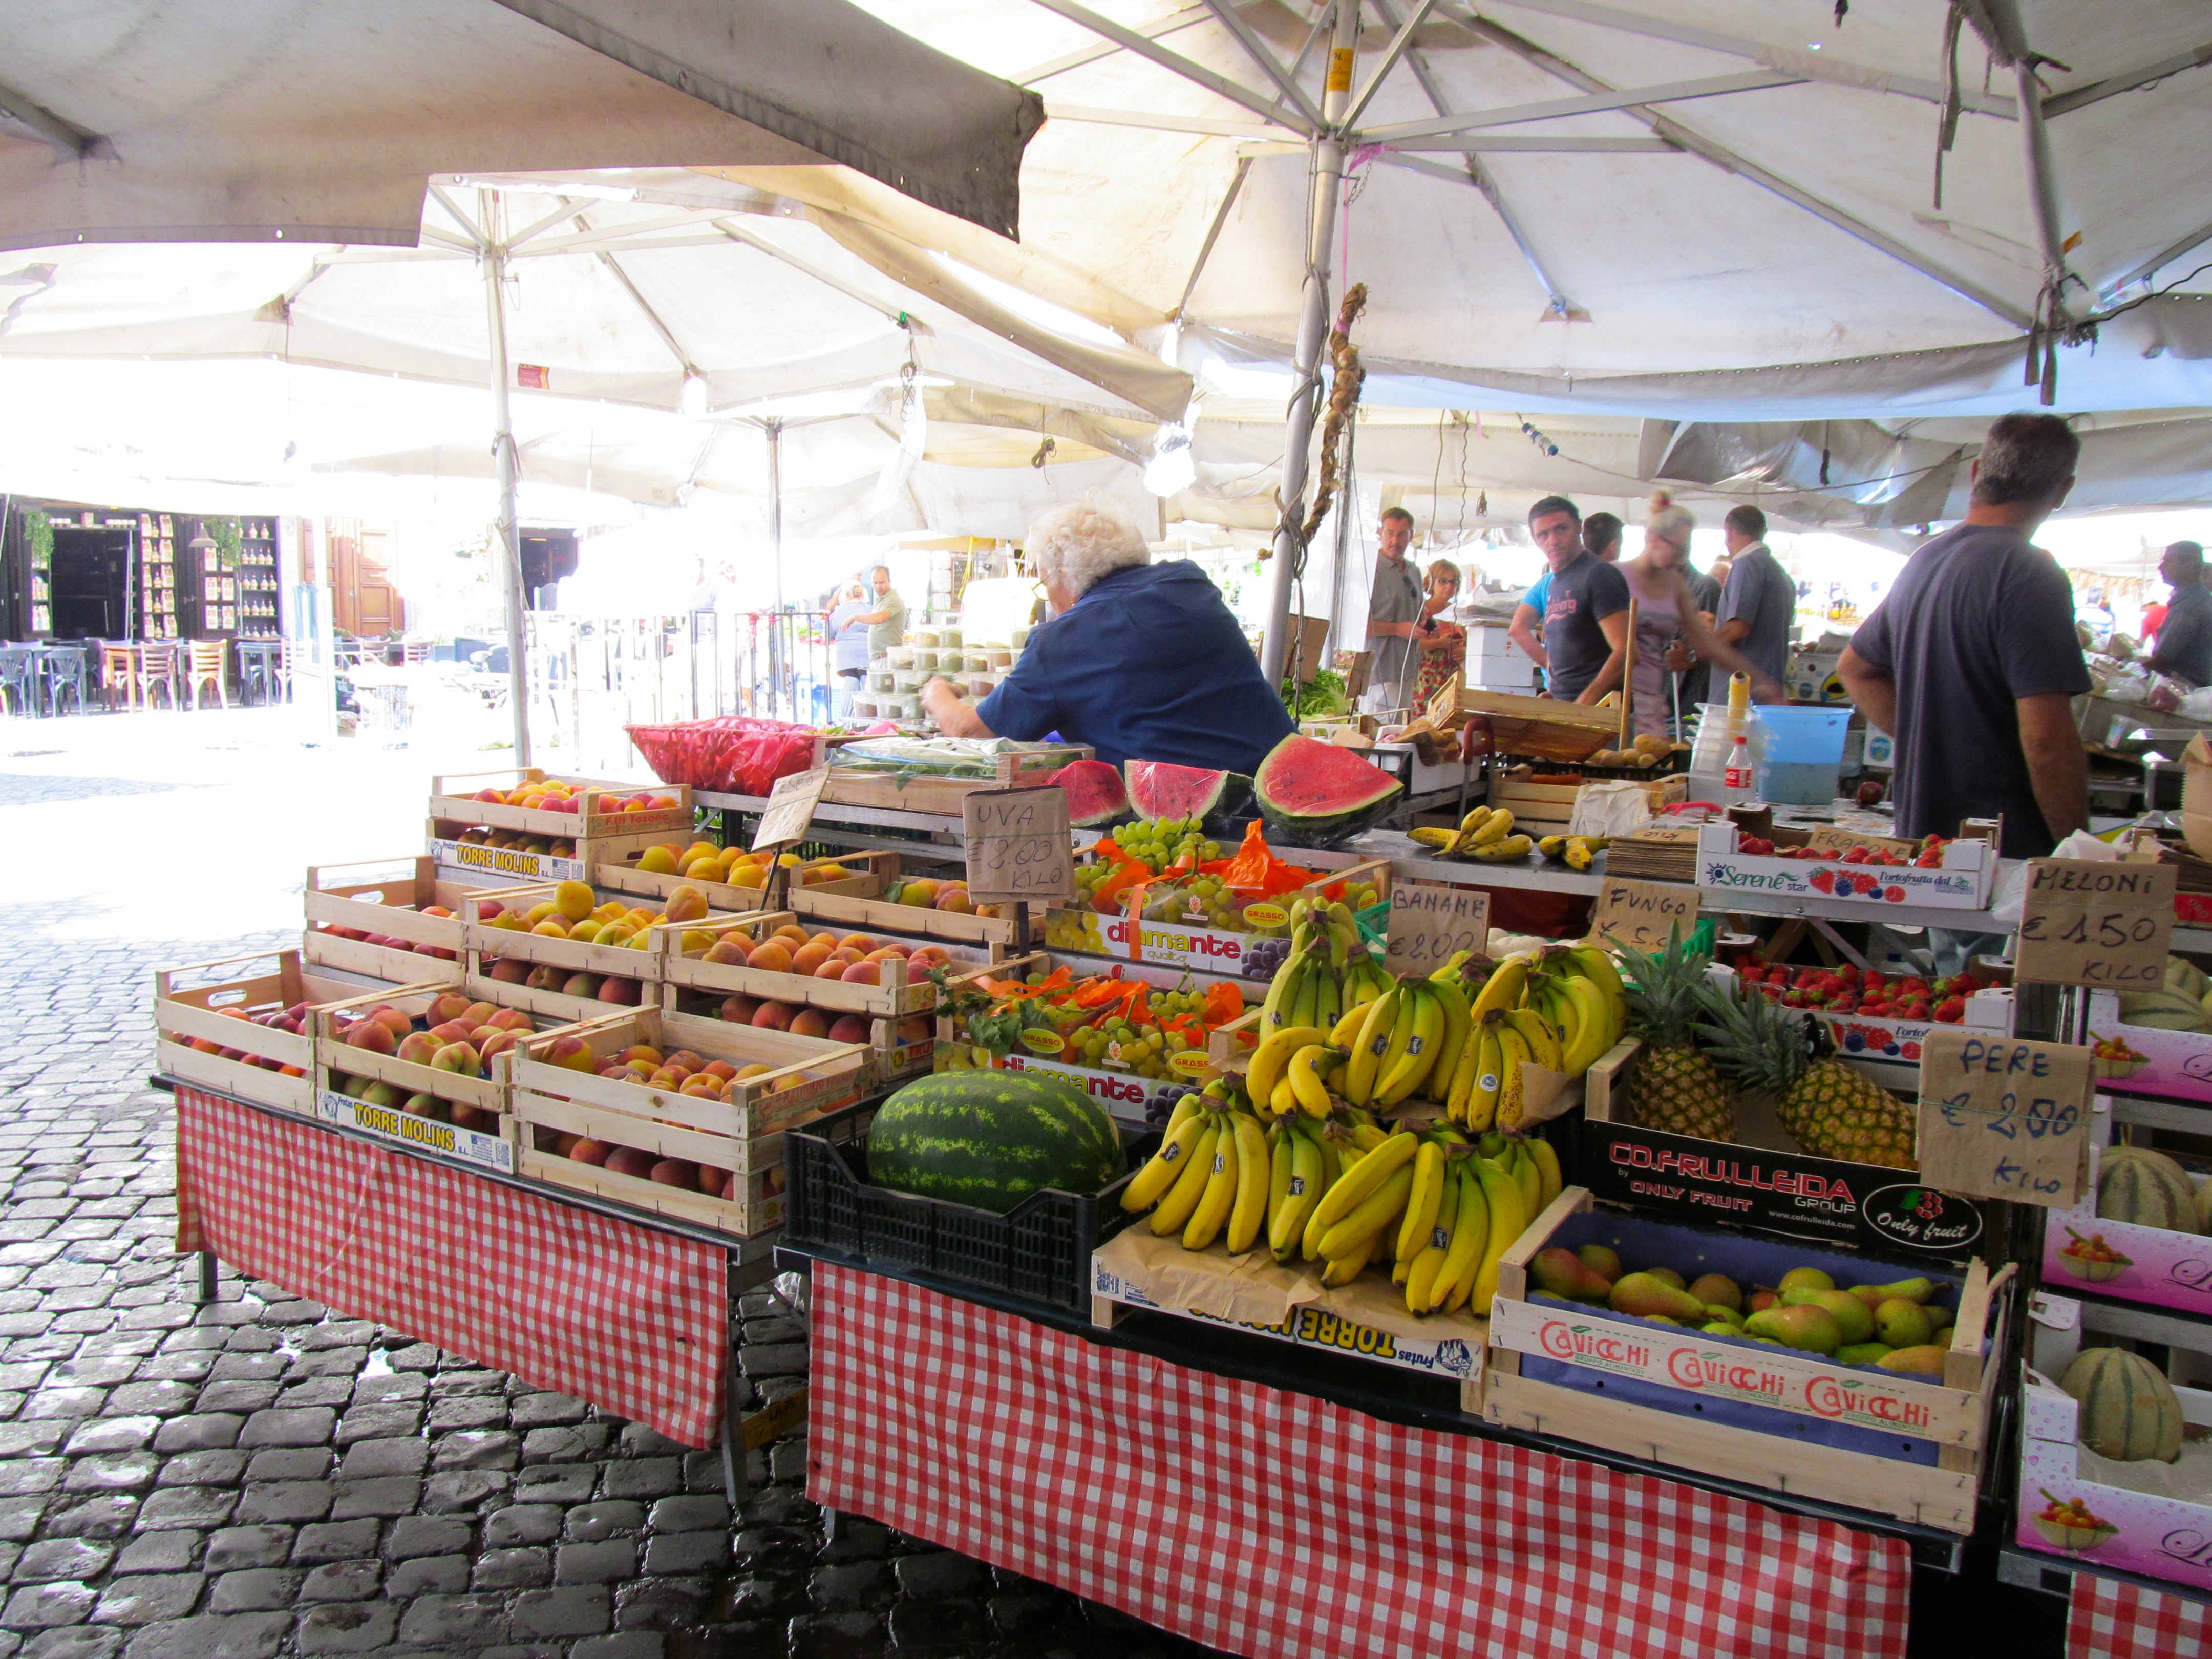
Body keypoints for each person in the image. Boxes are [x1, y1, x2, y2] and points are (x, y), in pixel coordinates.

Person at [1838, 413, 2091, 858]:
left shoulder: (1925, 561)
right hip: (2002, 854)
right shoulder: (2030, 572)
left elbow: (1855, 669)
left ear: (1976, 474)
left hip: (1928, 846)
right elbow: (2046, 741)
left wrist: (1929, 745)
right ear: (2062, 491)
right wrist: (2080, 853)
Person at [920, 500, 1294, 773]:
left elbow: (970, 731)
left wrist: (937, 693)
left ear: (1061, 573)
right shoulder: (1191, 584)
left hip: (1182, 821)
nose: (1048, 595)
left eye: (1044, 581)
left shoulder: (1061, 641)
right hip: (1277, 780)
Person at [1588, 495, 1782, 737]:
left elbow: (1708, 645)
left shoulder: (1674, 584)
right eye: (1679, 549)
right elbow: (1600, 650)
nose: (1682, 557)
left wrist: (1761, 682)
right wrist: (1581, 706)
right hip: (1605, 704)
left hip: (1650, 710)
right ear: (1653, 539)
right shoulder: (1613, 575)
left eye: (1687, 550)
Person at [1506, 496, 1630, 703]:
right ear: (1535, 539)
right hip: (1567, 710)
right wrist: (1557, 691)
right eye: (1544, 534)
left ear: (1579, 527)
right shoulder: (1556, 581)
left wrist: (1583, 705)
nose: (1553, 541)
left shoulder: (1599, 574)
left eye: (1561, 529)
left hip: (1599, 715)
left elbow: (1626, 651)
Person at [1696, 505, 1797, 694]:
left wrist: (1696, 653)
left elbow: (1738, 629)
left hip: (1741, 692)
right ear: (1763, 533)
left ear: (1729, 532)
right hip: (1767, 685)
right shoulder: (1777, 571)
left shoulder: (1747, 564)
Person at [1362, 507, 1426, 712]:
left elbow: (1418, 613)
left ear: (1411, 536)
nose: (1395, 541)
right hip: (1379, 672)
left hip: (1408, 670)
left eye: (1402, 534)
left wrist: (1424, 626)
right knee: (1377, 729)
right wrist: (1397, 629)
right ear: (1380, 533)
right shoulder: (1368, 570)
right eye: (1390, 533)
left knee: (1399, 729)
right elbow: (1356, 626)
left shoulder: (1414, 571)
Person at [2145, 542, 2212, 687]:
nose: (2160, 567)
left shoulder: (2190, 606)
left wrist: (2126, 672)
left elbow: (2162, 660)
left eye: (2168, 561)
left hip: (2183, 691)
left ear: (2188, 566)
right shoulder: (2199, 599)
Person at [1413, 559, 1467, 707]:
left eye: (1453, 582)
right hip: (1424, 680)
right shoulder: (1420, 610)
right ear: (1431, 582)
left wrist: (1463, 652)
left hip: (1451, 680)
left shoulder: (1460, 612)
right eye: (1443, 581)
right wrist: (1440, 644)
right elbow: (1412, 644)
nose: (1449, 586)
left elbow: (1467, 644)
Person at [825, 580, 871, 719]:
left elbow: (830, 634)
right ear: (862, 594)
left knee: (850, 686)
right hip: (866, 656)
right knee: (867, 689)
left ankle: (847, 722)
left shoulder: (836, 614)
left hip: (846, 657)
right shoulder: (871, 610)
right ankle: (866, 722)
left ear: (844, 594)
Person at [846, 564, 907, 658]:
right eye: (875, 583)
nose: (878, 586)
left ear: (889, 581)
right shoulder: (881, 599)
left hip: (887, 657)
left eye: (882, 582)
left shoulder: (893, 599)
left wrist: (855, 617)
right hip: (879, 657)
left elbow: (880, 618)